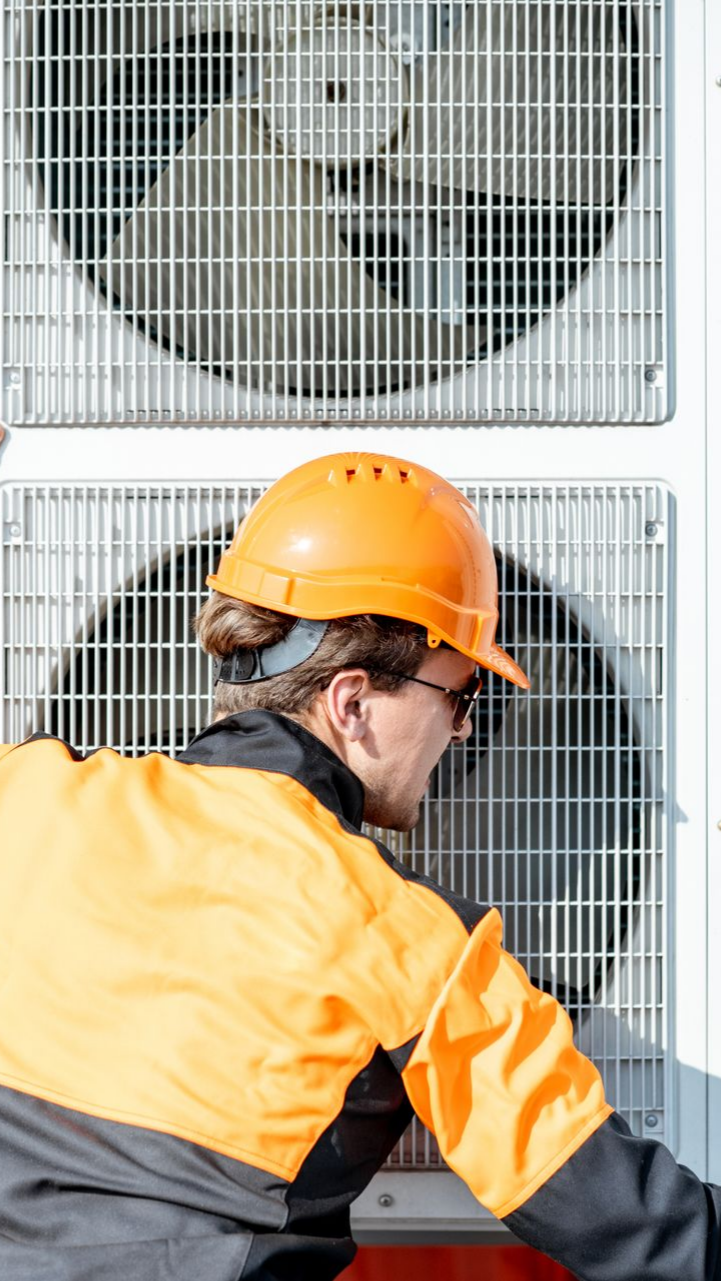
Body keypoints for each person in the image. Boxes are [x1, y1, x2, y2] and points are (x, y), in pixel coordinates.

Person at [0, 450, 718, 1281]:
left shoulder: (26, 791)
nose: (461, 732)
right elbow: (628, 1220)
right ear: (350, 700)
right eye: (458, 696)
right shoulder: (412, 940)